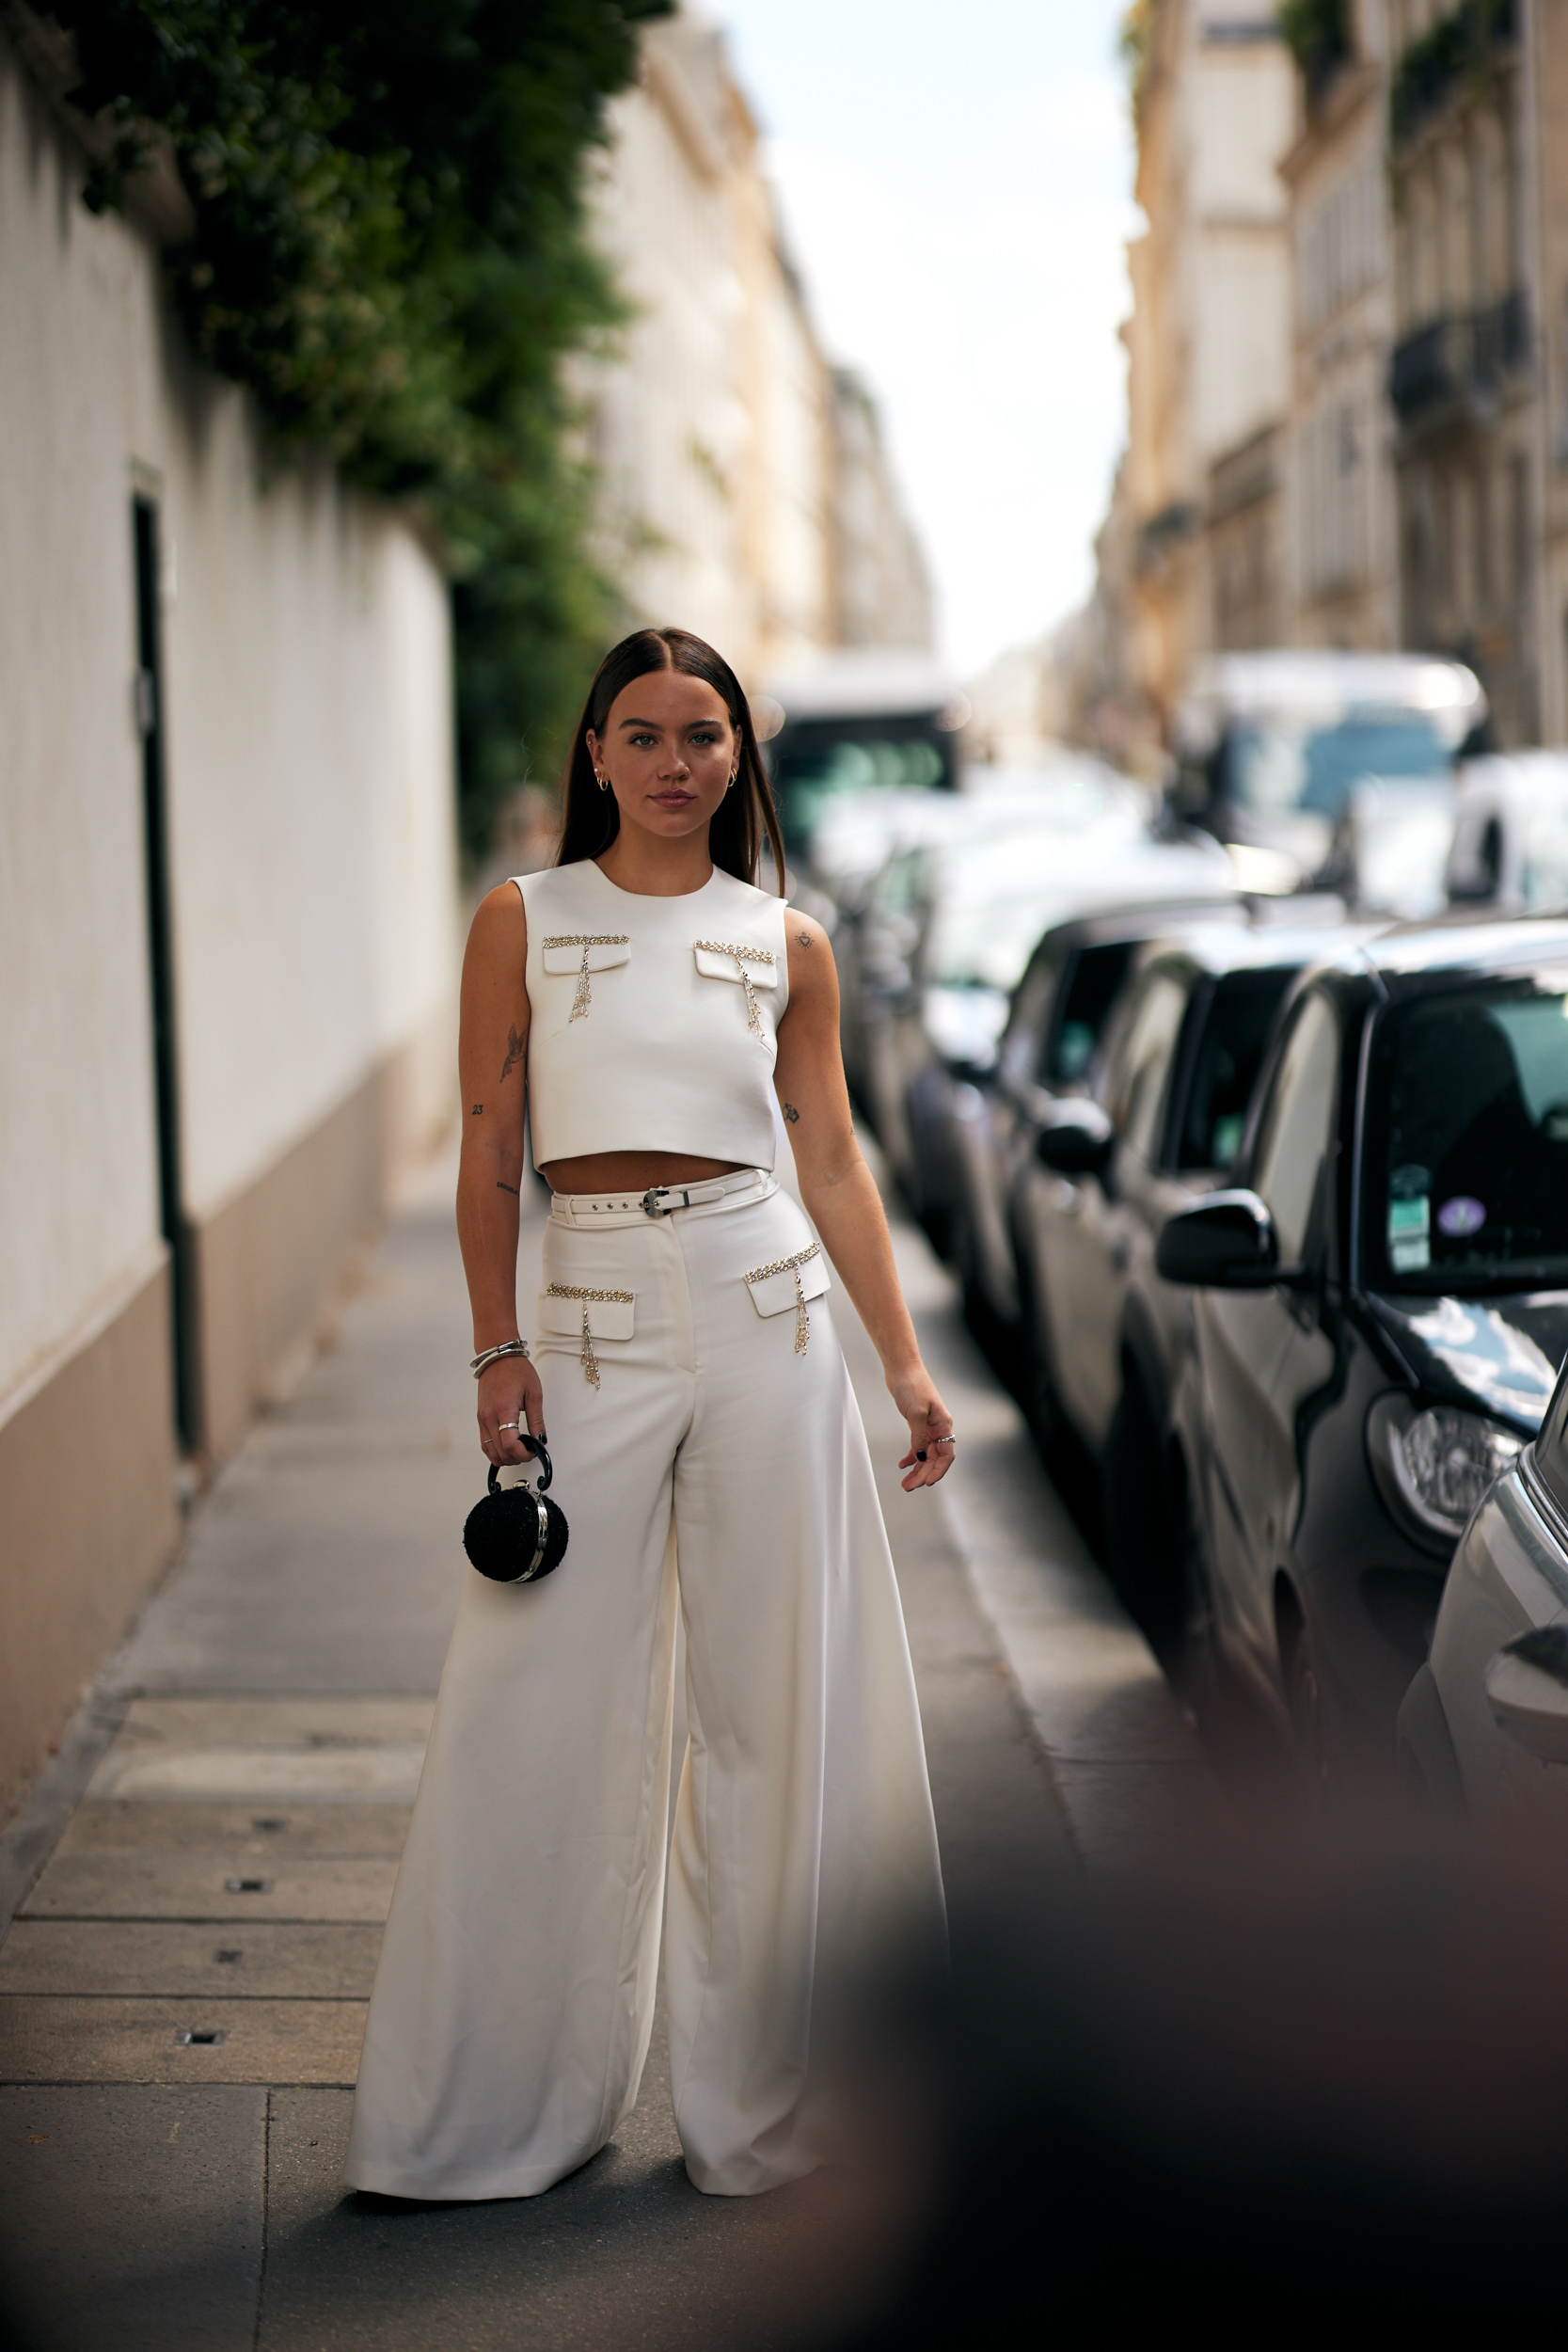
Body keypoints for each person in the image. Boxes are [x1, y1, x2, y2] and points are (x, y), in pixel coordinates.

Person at [343, 627, 950, 2202]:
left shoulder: (786, 943)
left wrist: (901, 1363)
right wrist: (495, 1349)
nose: (677, 761)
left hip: (768, 1315)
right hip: (589, 1325)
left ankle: (765, 2112)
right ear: (596, 755)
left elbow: (829, 1162)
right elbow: (491, 1144)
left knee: (774, 1714)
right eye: (645, 734)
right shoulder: (524, 922)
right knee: (536, 1699)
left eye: (705, 733)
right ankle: (493, 2116)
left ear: (741, 754)